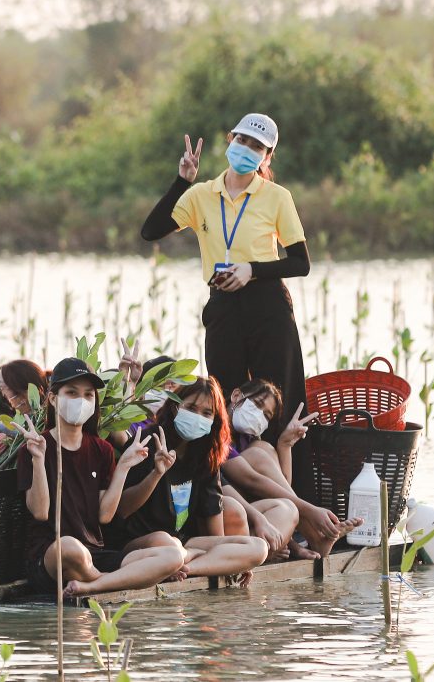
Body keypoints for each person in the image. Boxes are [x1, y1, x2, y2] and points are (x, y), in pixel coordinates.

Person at [140, 113, 316, 501]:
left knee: (280, 404)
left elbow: (300, 263)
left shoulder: (277, 197)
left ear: (267, 156)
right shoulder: (202, 194)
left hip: (268, 304)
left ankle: (295, 502)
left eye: (257, 147)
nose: (247, 150)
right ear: (229, 140)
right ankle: (228, 497)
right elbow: (151, 231)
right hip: (222, 305)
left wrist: (252, 270)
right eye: (243, 141)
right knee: (224, 402)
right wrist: (181, 180)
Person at [13, 357, 184, 597]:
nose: (80, 401)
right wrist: (39, 460)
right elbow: (40, 512)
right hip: (52, 556)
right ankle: (114, 580)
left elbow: (104, 515)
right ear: (53, 399)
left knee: (172, 554)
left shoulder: (102, 449)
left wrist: (123, 466)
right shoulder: (35, 447)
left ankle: (94, 585)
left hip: (95, 554)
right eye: (71, 393)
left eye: (88, 395)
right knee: (70, 548)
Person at [105, 377, 273, 578]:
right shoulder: (147, 442)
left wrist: (230, 558)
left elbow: (215, 531)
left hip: (184, 543)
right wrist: (156, 474)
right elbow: (122, 510)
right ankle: (173, 563)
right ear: (176, 407)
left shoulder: (206, 456)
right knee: (165, 542)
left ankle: (184, 568)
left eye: (207, 413)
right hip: (139, 542)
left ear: (214, 420)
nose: (198, 417)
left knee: (256, 547)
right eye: (191, 408)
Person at [221, 378, 362, 558]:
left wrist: (285, 444)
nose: (258, 415)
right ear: (236, 395)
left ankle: (305, 538)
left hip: (254, 512)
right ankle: (313, 535)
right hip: (229, 513)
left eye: (266, 415)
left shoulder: (245, 439)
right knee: (259, 453)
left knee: (264, 449)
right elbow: (252, 480)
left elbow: (281, 487)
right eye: (257, 404)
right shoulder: (217, 433)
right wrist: (311, 511)